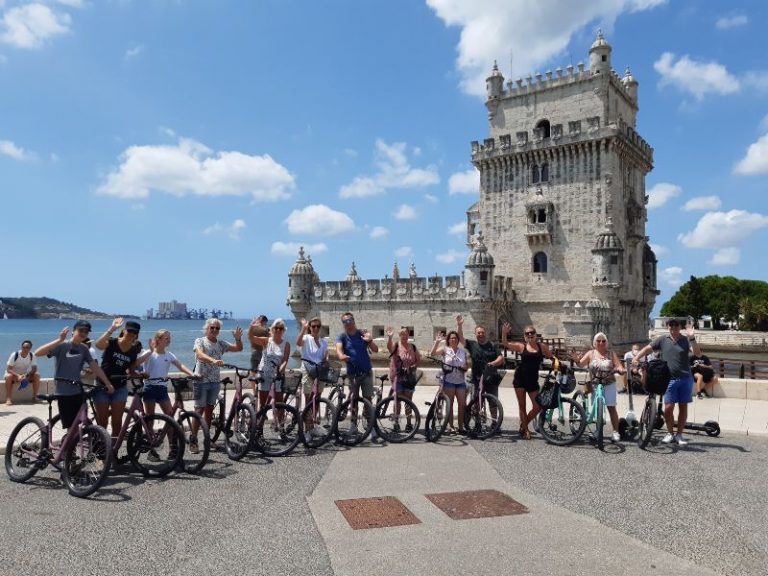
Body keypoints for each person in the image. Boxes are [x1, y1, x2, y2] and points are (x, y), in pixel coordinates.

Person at [34, 321, 113, 429]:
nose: (83, 333)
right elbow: (37, 353)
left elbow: (95, 367)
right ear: (73, 331)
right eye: (81, 330)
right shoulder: (62, 345)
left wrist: (107, 383)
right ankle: (68, 445)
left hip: (78, 390)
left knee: (82, 423)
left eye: (86, 331)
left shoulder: (84, 348)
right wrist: (59, 340)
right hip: (63, 392)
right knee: (70, 427)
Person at [633, 318, 700, 446]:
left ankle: (679, 434)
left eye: (676, 326)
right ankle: (670, 433)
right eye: (671, 326)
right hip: (669, 378)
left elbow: (697, 354)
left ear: (680, 327)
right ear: (667, 327)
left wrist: (692, 337)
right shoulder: (663, 339)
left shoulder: (686, 340)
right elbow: (648, 348)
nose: (673, 329)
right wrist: (636, 357)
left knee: (683, 407)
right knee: (668, 408)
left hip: (685, 378)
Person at [134, 330, 197, 449]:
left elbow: (180, 366)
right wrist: (151, 351)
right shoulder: (149, 353)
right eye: (166, 338)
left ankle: (173, 448)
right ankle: (151, 448)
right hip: (149, 388)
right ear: (158, 339)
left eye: (169, 338)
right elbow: (137, 363)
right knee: (150, 419)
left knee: (170, 419)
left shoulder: (169, 355)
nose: (169, 340)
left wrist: (192, 374)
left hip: (162, 388)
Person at [500, 323, 552, 440]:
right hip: (520, 379)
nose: (530, 335)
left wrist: (560, 365)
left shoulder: (542, 347)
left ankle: (523, 425)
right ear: (524, 336)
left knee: (537, 406)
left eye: (532, 333)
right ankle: (526, 430)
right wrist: (504, 333)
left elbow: (551, 357)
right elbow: (505, 343)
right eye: (527, 333)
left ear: (536, 335)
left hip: (533, 380)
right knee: (522, 406)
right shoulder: (521, 346)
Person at [571, 332, 626, 443]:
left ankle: (616, 432)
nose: (601, 343)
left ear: (606, 343)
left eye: (603, 341)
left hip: (609, 383)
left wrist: (620, 369)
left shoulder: (611, 353)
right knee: (597, 410)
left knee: (611, 408)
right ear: (595, 343)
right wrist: (576, 359)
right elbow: (581, 364)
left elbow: (618, 365)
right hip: (595, 384)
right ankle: (598, 430)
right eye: (598, 341)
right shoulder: (591, 353)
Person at [93, 318, 144, 438]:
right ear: (124, 331)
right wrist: (112, 329)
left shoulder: (133, 351)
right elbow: (98, 345)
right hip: (102, 386)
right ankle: (101, 449)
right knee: (102, 422)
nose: (131, 334)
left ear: (136, 335)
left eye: (134, 333)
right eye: (129, 331)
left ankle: (113, 451)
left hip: (120, 387)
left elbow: (131, 370)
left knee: (117, 422)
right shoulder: (112, 342)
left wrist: (139, 374)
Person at [193, 318, 243, 435]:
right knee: (199, 410)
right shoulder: (200, 341)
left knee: (209, 410)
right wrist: (213, 360)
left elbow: (238, 348)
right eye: (212, 327)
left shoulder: (221, 344)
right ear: (206, 329)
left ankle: (207, 439)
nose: (215, 330)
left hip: (214, 382)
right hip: (200, 381)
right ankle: (193, 439)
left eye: (217, 328)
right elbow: (199, 355)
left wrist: (238, 339)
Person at [456, 314, 504, 422]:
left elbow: (501, 358)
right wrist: (459, 325)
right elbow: (460, 338)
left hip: (491, 378)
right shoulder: (472, 345)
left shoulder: (493, 345)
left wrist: (493, 363)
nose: (480, 334)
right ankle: (477, 422)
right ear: (475, 334)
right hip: (477, 378)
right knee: (476, 401)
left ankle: (494, 422)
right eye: (478, 333)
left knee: (493, 402)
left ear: (485, 333)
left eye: (482, 332)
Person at [335, 312, 378, 433]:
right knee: (354, 399)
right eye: (345, 321)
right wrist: (341, 355)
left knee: (368, 399)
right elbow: (338, 349)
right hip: (352, 373)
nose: (348, 323)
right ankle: (353, 425)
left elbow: (375, 350)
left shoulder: (362, 334)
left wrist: (369, 340)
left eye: (349, 320)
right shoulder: (342, 336)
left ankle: (370, 425)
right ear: (343, 324)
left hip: (366, 371)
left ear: (353, 321)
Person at [429, 330, 467, 434]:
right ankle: (451, 426)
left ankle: (461, 426)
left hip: (460, 381)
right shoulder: (445, 349)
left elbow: (466, 366)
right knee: (450, 404)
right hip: (448, 380)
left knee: (462, 405)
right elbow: (432, 353)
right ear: (448, 340)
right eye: (451, 338)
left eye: (455, 338)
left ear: (458, 340)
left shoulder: (463, 352)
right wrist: (437, 342)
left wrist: (464, 367)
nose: (453, 340)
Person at [296, 317, 329, 436]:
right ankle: (307, 429)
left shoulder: (324, 342)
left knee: (318, 399)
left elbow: (325, 356)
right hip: (307, 369)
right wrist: (303, 329)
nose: (315, 328)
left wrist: (326, 361)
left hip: (319, 371)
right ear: (310, 327)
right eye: (313, 326)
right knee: (309, 398)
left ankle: (313, 426)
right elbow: (298, 342)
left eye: (318, 326)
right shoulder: (306, 338)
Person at [386, 325, 421, 433]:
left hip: (409, 377)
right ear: (399, 335)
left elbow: (418, 359)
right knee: (397, 400)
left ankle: (409, 423)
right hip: (397, 377)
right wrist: (390, 337)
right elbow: (389, 348)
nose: (404, 336)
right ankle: (396, 423)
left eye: (405, 334)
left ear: (408, 334)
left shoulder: (413, 347)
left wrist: (413, 366)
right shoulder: (396, 345)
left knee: (408, 401)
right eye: (401, 334)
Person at [251, 318, 291, 410]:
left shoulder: (286, 344)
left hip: (278, 376)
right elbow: (251, 338)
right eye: (276, 328)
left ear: (283, 330)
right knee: (263, 405)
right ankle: (260, 423)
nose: (278, 330)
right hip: (264, 375)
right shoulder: (267, 341)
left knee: (280, 405)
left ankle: (280, 424)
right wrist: (251, 328)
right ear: (272, 329)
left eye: (280, 328)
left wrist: (280, 370)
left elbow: (285, 360)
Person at [5, 340, 40, 404]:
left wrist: (26, 375)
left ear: (30, 348)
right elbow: (8, 369)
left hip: (25, 375)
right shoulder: (15, 354)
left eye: (27, 347)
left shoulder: (32, 355)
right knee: (8, 376)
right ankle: (8, 398)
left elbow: (34, 369)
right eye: (23, 347)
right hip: (14, 375)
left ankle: (35, 396)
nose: (25, 349)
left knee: (37, 375)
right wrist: (18, 375)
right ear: (21, 347)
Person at [247, 315, 269, 396]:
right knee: (263, 373)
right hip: (262, 352)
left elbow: (249, 335)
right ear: (264, 321)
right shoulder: (265, 329)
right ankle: (262, 390)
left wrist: (253, 323)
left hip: (253, 352)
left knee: (253, 373)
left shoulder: (253, 328)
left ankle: (254, 392)